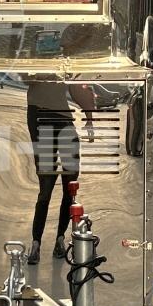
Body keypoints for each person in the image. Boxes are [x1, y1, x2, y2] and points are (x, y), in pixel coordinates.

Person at [25, 81, 94, 264]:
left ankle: (59, 239)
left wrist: (89, 118)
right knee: (46, 188)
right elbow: (26, 78)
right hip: (40, 116)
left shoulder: (66, 65)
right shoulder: (37, 64)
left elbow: (77, 88)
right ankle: (36, 243)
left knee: (69, 186)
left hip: (62, 119)